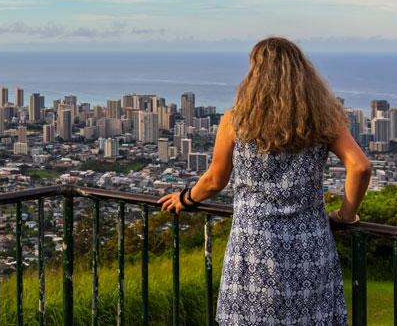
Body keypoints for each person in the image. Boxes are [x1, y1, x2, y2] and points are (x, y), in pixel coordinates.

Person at [159, 36, 372, 325]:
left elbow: (214, 180)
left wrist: (185, 198)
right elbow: (360, 167)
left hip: (253, 246)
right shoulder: (324, 119)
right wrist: (346, 216)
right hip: (309, 245)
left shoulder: (236, 120)